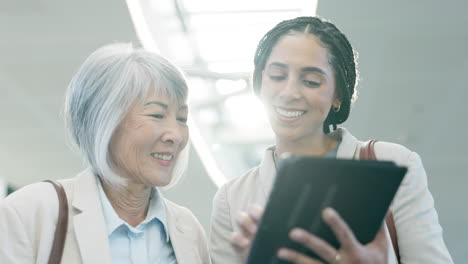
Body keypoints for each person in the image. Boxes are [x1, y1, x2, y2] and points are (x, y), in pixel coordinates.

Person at [209, 16, 453, 264]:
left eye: (311, 81)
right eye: (277, 76)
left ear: (338, 95)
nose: (289, 93)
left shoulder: (394, 165)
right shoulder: (232, 199)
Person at [0, 43, 210, 264]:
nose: (176, 135)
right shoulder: (32, 211)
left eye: (182, 119)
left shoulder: (188, 231)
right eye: (157, 115)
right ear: (105, 122)